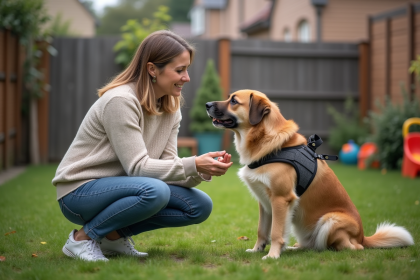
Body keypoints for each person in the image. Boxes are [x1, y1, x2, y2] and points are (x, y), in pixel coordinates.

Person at [52, 30, 233, 262]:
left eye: (186, 69)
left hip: (124, 188)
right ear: (152, 69)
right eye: (179, 70)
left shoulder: (170, 105)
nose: (186, 77)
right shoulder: (121, 101)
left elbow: (167, 168)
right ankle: (82, 240)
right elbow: (138, 168)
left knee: (198, 205)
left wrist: (200, 170)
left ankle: (113, 238)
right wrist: (193, 163)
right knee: (155, 191)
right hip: (79, 192)